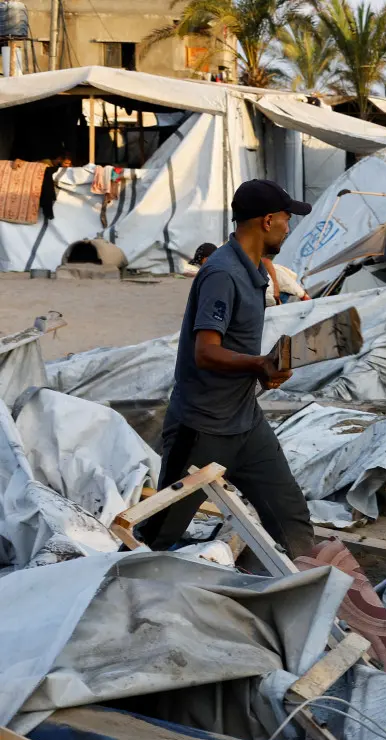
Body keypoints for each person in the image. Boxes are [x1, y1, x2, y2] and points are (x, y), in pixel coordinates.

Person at [136, 179, 316, 558]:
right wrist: (257, 364)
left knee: (291, 516)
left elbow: (237, 348)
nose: (289, 227)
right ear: (268, 221)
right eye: (287, 219)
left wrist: (267, 368)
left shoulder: (257, 271)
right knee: (159, 535)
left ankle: (310, 592)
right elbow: (205, 351)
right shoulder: (222, 273)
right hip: (202, 430)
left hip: (246, 423)